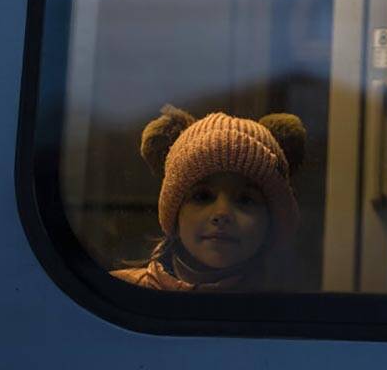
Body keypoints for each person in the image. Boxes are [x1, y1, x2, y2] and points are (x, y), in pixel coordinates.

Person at [111, 106, 306, 292]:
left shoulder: (285, 311)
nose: (222, 213)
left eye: (245, 200)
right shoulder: (119, 295)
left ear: (270, 222)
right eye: (202, 197)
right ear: (174, 215)